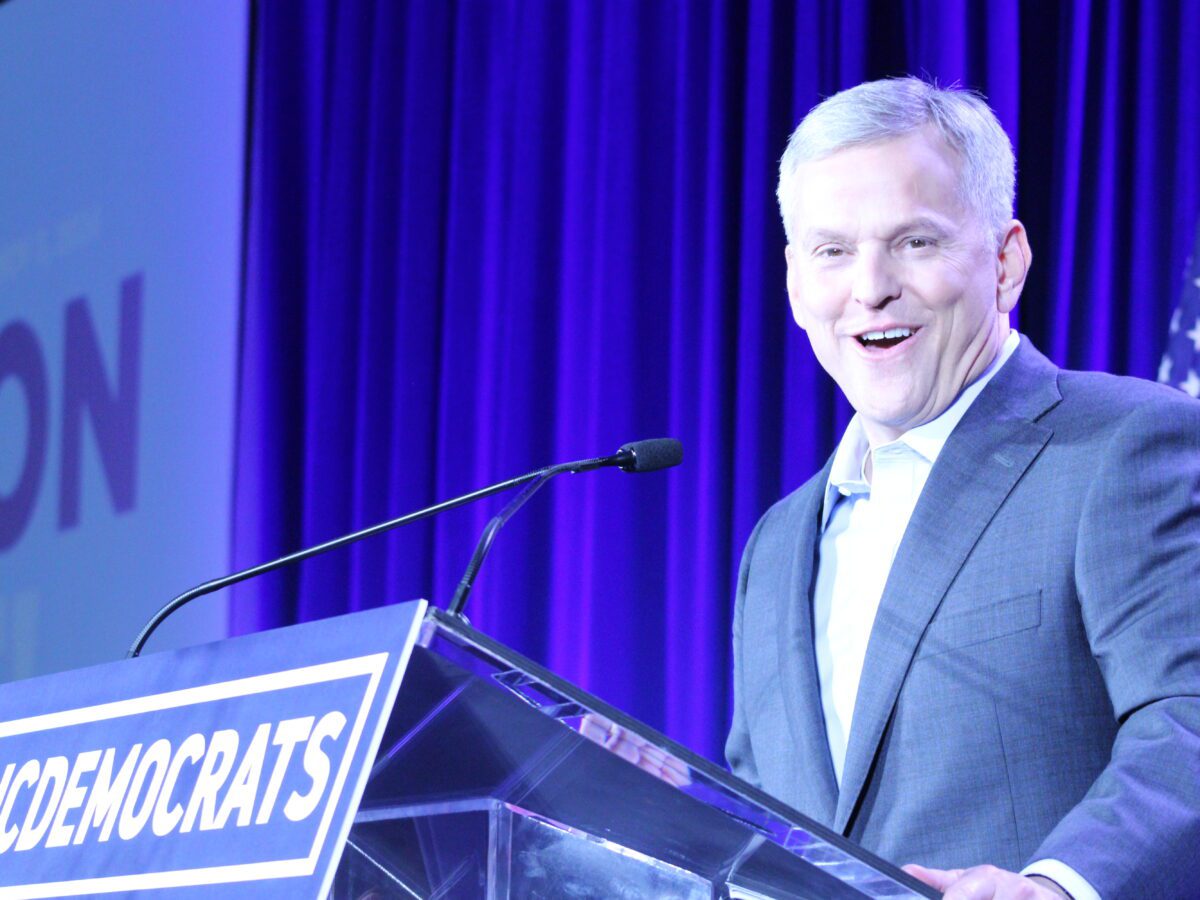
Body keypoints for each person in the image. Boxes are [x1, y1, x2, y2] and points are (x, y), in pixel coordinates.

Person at [725, 77, 1200, 900]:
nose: (870, 287)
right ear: (797, 283)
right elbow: (758, 819)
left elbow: (1188, 715)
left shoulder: (1125, 445)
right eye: (833, 251)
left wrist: (1056, 887)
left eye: (914, 242)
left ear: (1007, 261)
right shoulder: (775, 544)